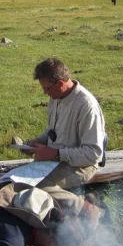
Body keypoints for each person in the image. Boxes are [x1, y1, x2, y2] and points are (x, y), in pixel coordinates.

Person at [24, 57, 106, 211]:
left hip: (81, 165)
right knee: (24, 180)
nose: (45, 93)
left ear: (60, 83)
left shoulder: (86, 105)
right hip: (58, 159)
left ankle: (87, 209)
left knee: (37, 184)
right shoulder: (56, 97)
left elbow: (94, 153)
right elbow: (52, 130)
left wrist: (55, 153)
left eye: (46, 89)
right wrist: (38, 142)